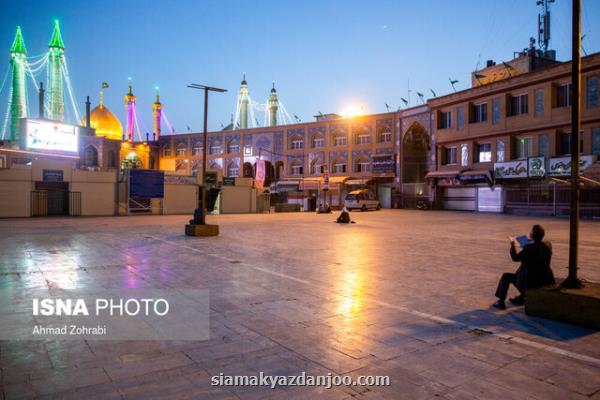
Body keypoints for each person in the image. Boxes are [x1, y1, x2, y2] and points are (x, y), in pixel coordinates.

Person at [493, 224, 555, 310]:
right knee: (528, 267)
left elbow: (515, 258)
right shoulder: (547, 246)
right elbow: (536, 249)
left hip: (529, 283)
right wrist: (528, 244)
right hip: (543, 280)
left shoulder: (529, 248)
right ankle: (521, 298)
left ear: (532, 235)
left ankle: (501, 302)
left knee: (506, 276)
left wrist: (512, 246)